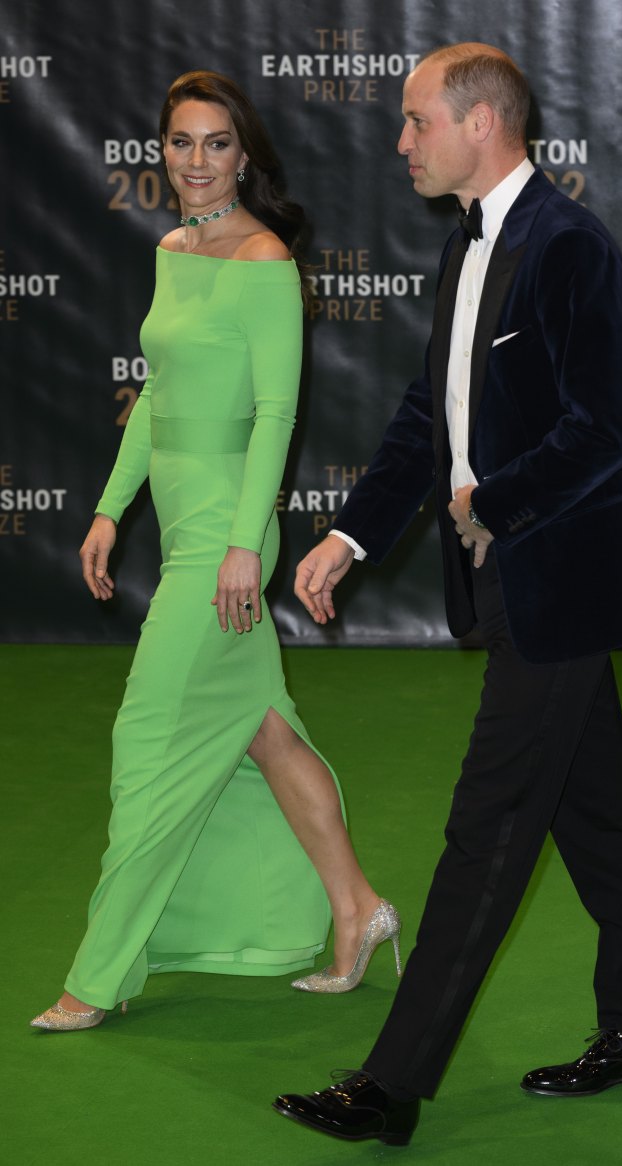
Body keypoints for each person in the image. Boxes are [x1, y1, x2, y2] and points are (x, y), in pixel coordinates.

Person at [272, 42, 622, 1146]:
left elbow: (600, 432)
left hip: (561, 581)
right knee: (595, 811)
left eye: (414, 122)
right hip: (512, 571)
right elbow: (427, 417)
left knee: (489, 821)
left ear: (479, 124)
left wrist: (490, 500)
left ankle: (389, 1085)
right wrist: (351, 533)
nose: (399, 143)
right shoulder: (465, 250)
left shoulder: (569, 248)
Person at [30, 70, 400, 1033]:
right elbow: (157, 398)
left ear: (246, 155)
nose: (197, 162)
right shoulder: (173, 248)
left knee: (147, 740)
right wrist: (112, 509)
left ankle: (97, 977)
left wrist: (246, 544)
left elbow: (277, 409)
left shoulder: (265, 258)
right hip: (189, 522)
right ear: (164, 150)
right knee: (262, 732)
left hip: (229, 535)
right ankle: (357, 910)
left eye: (217, 144)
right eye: (182, 142)